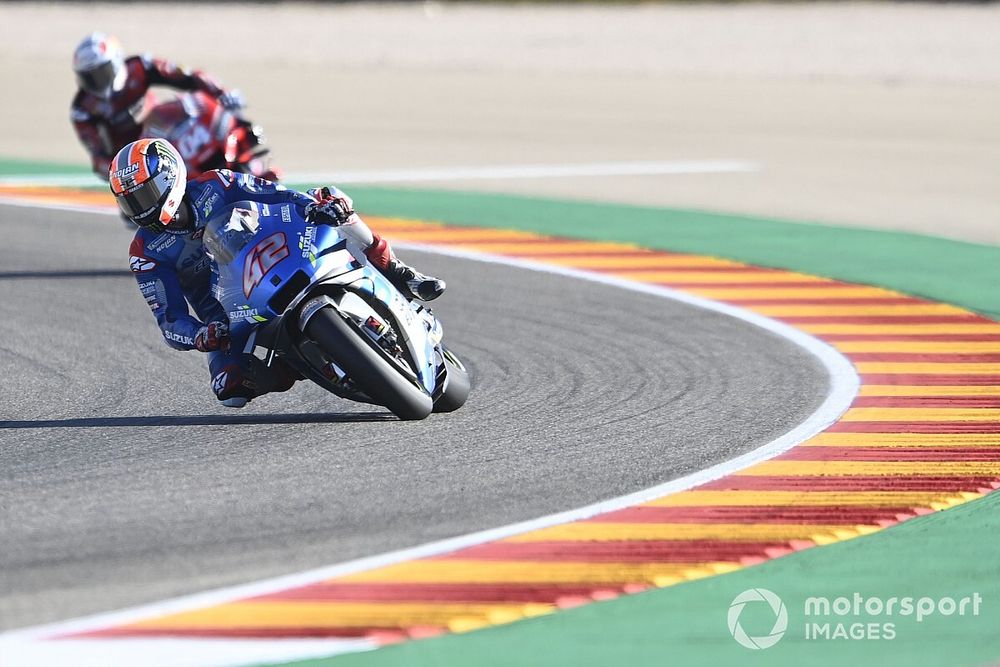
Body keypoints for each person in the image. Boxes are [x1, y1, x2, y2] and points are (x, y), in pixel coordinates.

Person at [111, 138, 445, 408]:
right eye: (130, 202)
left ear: (169, 179)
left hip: (272, 257)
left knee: (332, 198)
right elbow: (169, 320)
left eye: (144, 196)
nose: (140, 209)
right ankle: (300, 362)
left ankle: (399, 272)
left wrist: (314, 207)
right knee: (230, 391)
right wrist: (201, 334)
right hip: (227, 315)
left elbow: (275, 194)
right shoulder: (146, 253)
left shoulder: (217, 183)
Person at [71, 32, 246, 180]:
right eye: (89, 77)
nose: (96, 82)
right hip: (136, 160)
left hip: (166, 129)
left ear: (116, 61)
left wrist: (222, 93)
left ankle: (244, 157)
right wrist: (121, 173)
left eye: (100, 72)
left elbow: (188, 76)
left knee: (209, 114)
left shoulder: (140, 67)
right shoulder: (83, 110)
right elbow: (98, 158)